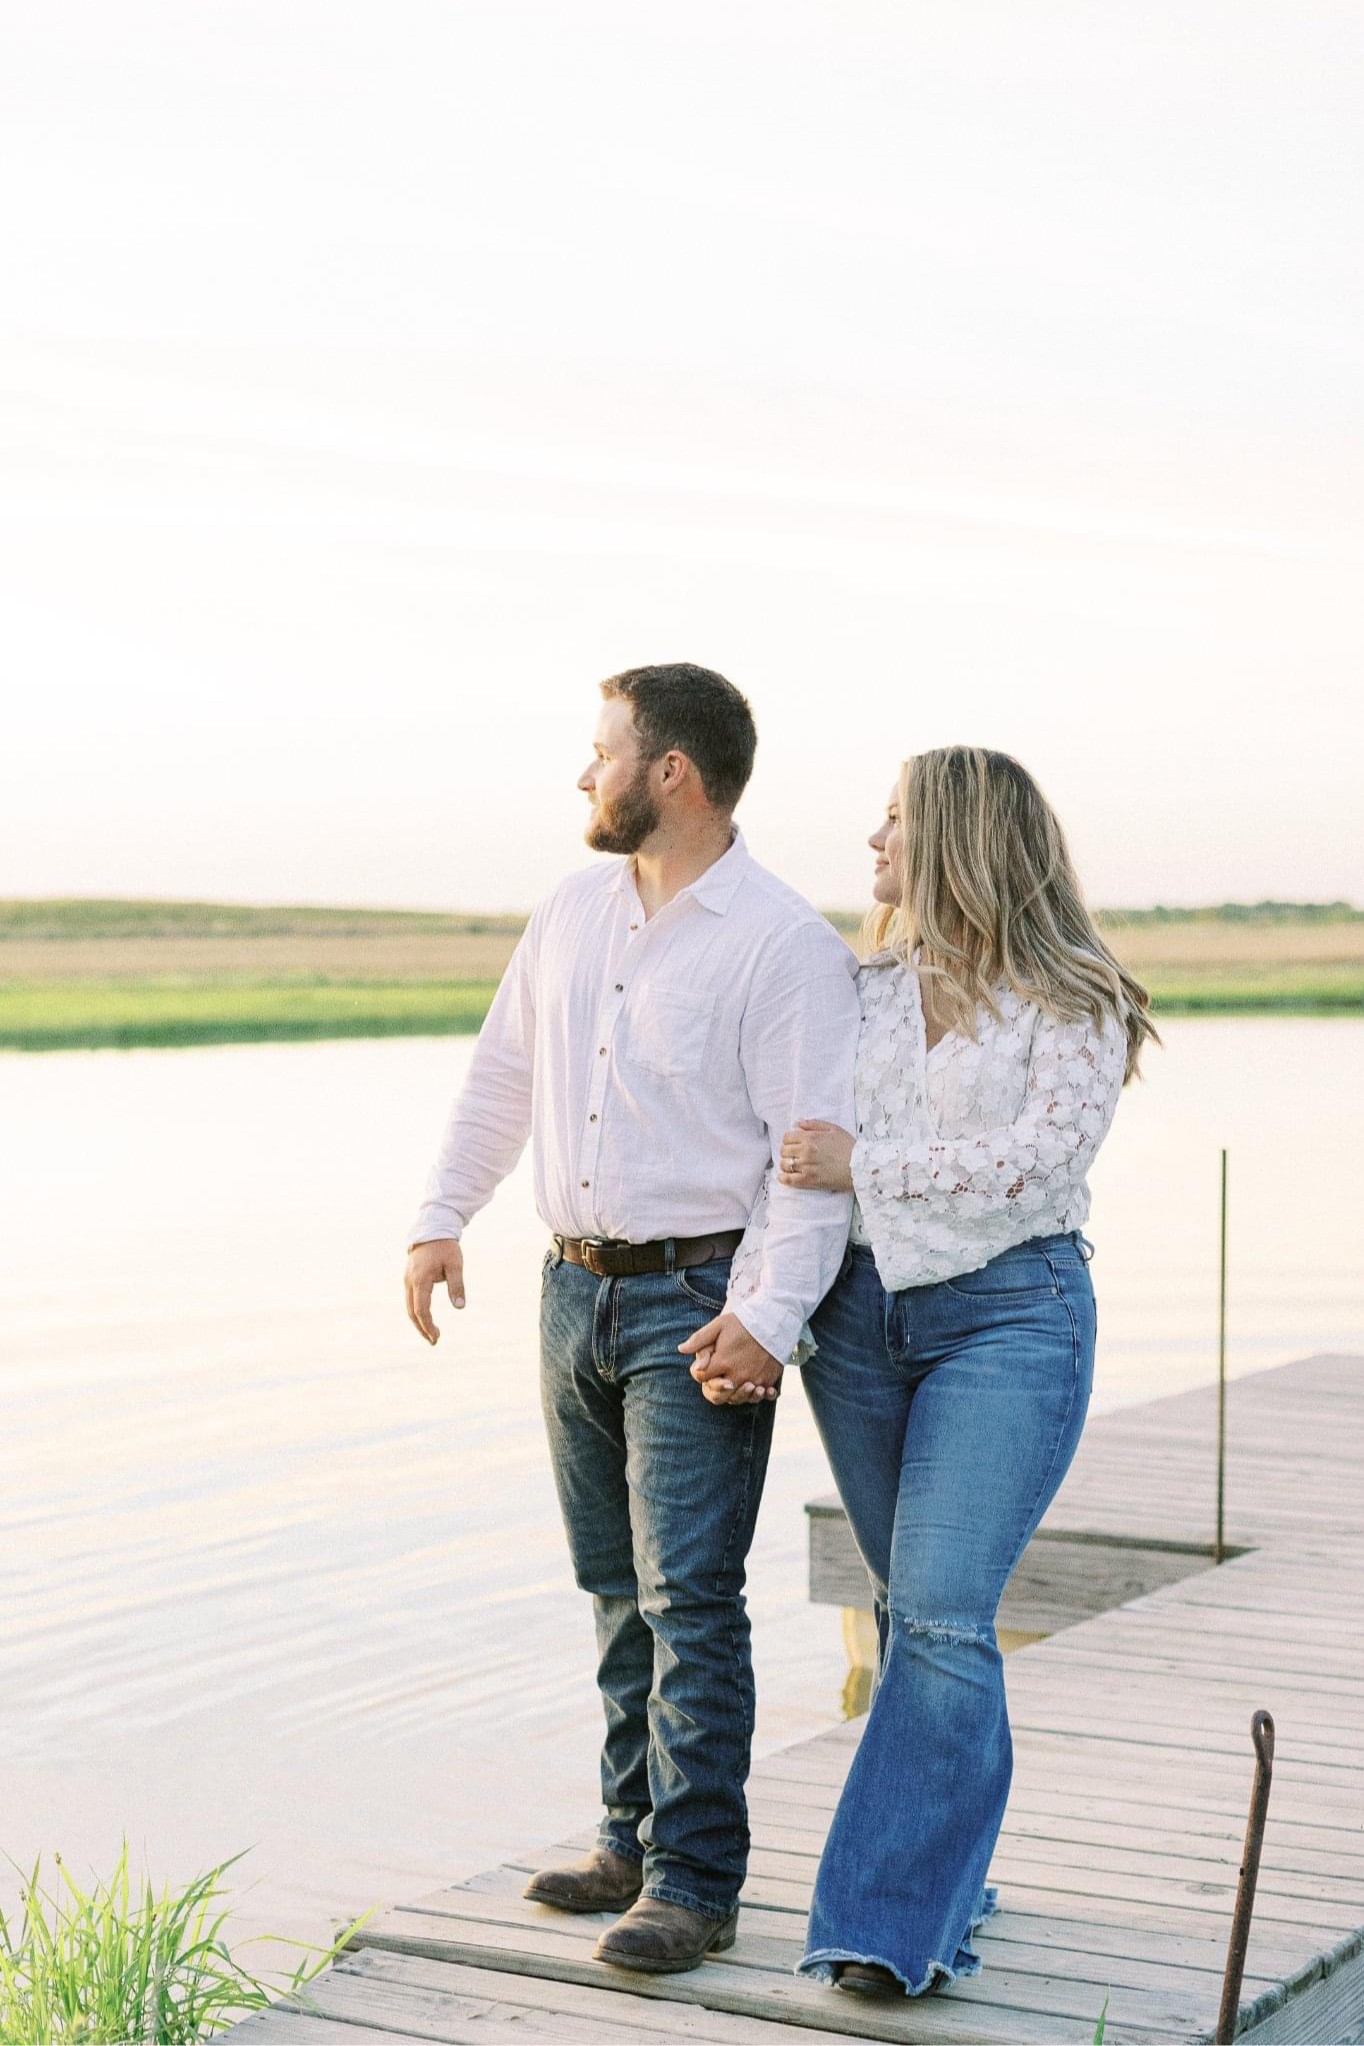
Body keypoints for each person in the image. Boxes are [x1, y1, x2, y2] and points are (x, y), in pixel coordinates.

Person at [404, 664, 859, 1975]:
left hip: (697, 1302)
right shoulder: (570, 912)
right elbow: (501, 1075)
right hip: (569, 1287)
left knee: (692, 1599)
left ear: (671, 772)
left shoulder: (781, 943)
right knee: (613, 1585)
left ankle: (696, 1878)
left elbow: (808, 1157)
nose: (582, 773)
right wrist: (443, 1216)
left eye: (600, 749)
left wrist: (766, 1317)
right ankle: (628, 1832)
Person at [693, 744, 1157, 1997]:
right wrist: (766, 1313)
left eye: (894, 820)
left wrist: (867, 1166)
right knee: (913, 1616)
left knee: (945, 1609)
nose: (872, 842)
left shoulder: (1074, 996)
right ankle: (951, 1882)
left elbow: (1034, 1162)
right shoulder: (860, 989)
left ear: (958, 836)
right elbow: (785, 1160)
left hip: (1010, 1323)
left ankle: (884, 1929)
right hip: (856, 1327)